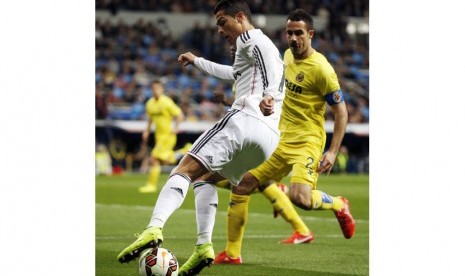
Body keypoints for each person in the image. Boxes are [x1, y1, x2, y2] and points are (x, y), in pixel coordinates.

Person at [117, 1, 285, 275]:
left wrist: (267, 95)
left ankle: (153, 227)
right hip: (266, 139)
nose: (219, 30)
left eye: (222, 22)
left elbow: (269, 66)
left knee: (183, 169)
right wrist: (197, 61)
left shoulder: (252, 38)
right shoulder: (247, 50)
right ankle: (203, 247)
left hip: (247, 118)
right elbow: (231, 73)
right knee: (204, 180)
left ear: (240, 17)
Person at [214, 8, 356, 264]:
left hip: (308, 141)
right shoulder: (286, 56)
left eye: (299, 33)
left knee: (299, 198)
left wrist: (333, 151)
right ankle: (232, 254)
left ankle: (338, 204)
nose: (293, 38)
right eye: (289, 33)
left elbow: (341, 112)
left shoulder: (322, 69)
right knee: (242, 184)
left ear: (310, 34)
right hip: (280, 137)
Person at [138, 80, 185, 193]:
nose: (156, 91)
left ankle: (151, 185)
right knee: (164, 161)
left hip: (168, 135)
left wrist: (176, 127)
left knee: (153, 159)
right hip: (159, 137)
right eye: (154, 88)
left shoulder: (166, 102)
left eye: (158, 88)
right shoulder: (150, 103)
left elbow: (180, 115)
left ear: (161, 89)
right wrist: (147, 131)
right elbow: (150, 119)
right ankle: (185, 151)